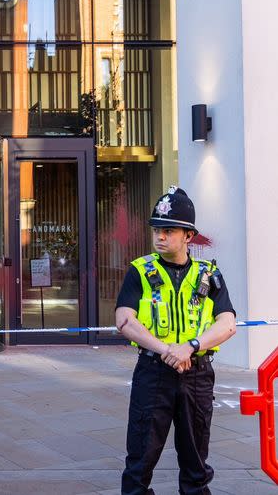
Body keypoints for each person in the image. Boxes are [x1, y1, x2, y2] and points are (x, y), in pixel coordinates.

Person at [114, 186, 237, 495]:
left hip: (197, 374)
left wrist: (191, 347)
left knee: (196, 465)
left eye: (169, 230)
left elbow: (227, 323)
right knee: (139, 461)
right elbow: (125, 320)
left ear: (188, 236)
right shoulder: (140, 271)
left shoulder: (209, 275)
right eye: (157, 229)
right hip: (154, 373)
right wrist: (167, 349)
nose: (160, 236)